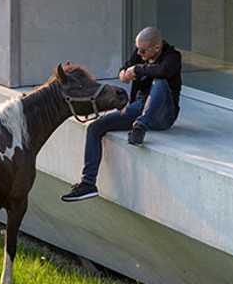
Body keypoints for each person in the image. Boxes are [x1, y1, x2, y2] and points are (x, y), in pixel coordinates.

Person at [61, 27, 181, 202]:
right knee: (95, 128)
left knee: (160, 82)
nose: (139, 53)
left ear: (157, 47)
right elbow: (125, 68)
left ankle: (141, 126)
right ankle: (87, 184)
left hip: (163, 113)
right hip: (139, 107)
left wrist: (137, 70)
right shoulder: (141, 52)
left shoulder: (173, 57)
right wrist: (124, 73)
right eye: (137, 49)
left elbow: (162, 71)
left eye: (143, 50)